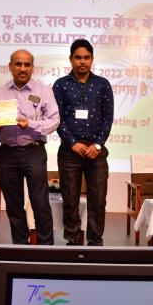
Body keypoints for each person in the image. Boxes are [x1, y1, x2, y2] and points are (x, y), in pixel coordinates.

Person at [0, 50, 60, 244]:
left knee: (40, 202)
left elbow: (54, 120)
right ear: (10, 67)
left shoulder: (43, 90)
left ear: (32, 68)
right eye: (18, 64)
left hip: (34, 151)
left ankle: (46, 247)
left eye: (27, 65)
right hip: (7, 153)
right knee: (13, 204)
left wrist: (31, 124)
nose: (22, 68)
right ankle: (20, 246)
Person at [53, 39, 114, 246]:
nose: (82, 62)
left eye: (86, 58)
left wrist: (97, 145)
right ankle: (73, 242)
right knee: (70, 200)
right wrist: (73, 143)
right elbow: (57, 118)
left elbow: (107, 118)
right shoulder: (61, 85)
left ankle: (95, 242)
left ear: (92, 59)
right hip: (70, 151)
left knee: (98, 200)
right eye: (78, 58)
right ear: (71, 59)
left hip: (96, 152)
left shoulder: (102, 84)